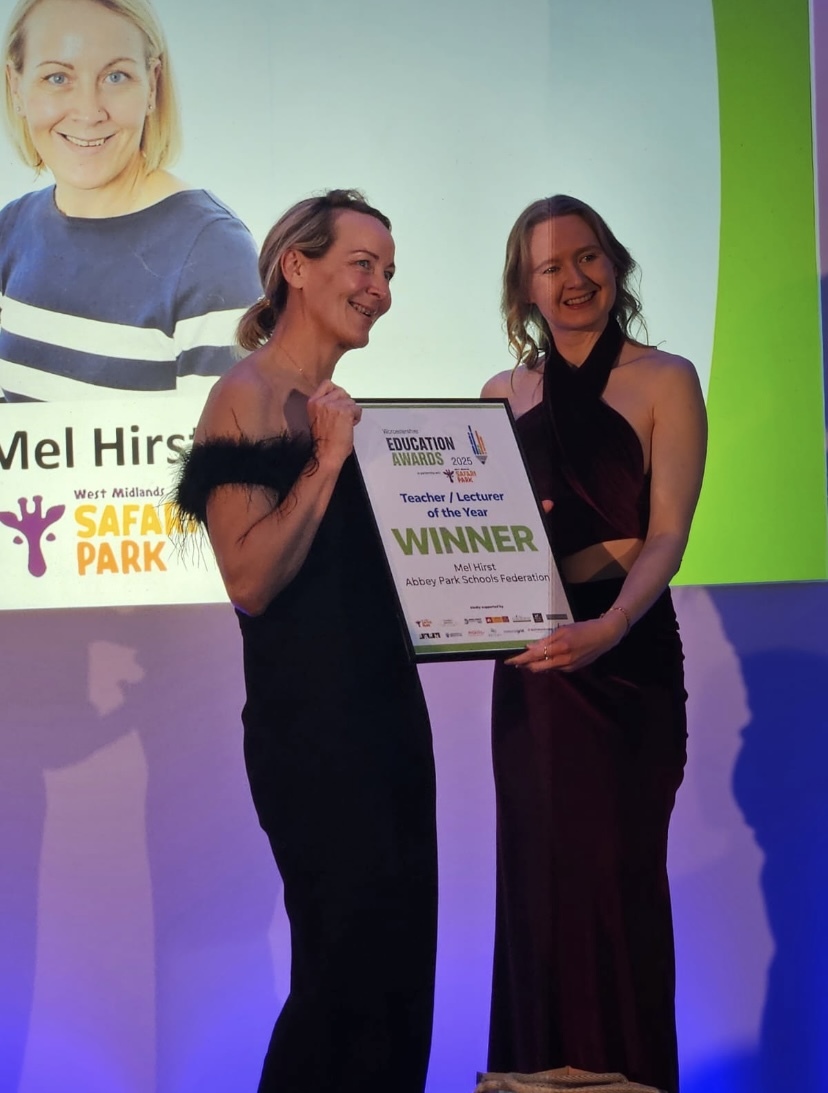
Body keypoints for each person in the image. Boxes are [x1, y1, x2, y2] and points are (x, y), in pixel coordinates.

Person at [173, 189, 438, 1093]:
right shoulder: (243, 396)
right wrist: (326, 460)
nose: (380, 290)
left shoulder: (352, 414)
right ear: (297, 265)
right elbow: (250, 581)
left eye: (389, 273)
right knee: (342, 976)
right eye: (363, 265)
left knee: (401, 969)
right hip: (313, 730)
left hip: (391, 716)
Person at [481, 195, 707, 1093]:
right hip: (534, 668)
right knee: (536, 878)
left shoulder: (666, 378)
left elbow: (668, 535)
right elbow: (476, 540)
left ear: (614, 263)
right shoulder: (499, 395)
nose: (574, 278)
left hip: (628, 655)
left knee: (620, 878)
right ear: (524, 290)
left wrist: (612, 626)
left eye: (588, 257)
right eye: (551, 266)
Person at [0, 0, 260, 401]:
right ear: (15, 86)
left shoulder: (212, 254)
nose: (89, 112)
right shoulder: (11, 228)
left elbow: (231, 441)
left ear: (152, 86)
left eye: (116, 76)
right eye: (57, 77)